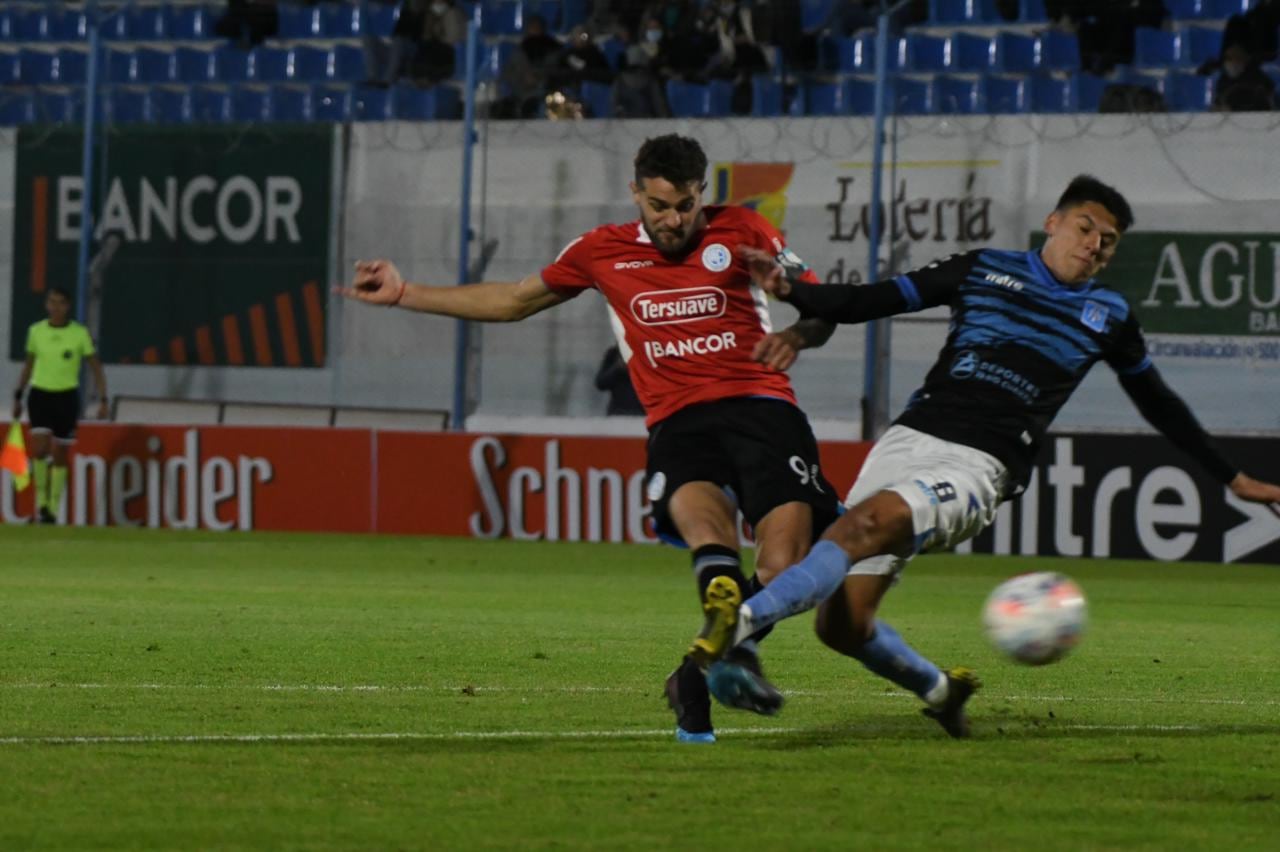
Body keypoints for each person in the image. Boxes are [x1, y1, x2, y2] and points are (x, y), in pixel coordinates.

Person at [689, 175, 1280, 737]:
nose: (1095, 245)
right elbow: (873, 300)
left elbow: (1160, 404)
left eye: (1108, 241)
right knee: (842, 625)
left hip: (979, 466)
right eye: (1085, 227)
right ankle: (943, 692)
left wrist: (1233, 479)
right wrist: (795, 292)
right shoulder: (984, 269)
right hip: (908, 441)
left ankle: (737, 624)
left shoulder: (1110, 316)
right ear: (1052, 222)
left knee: (862, 525)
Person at [339, 134, 846, 743]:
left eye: (685, 204)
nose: (673, 219)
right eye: (659, 205)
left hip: (764, 407)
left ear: (701, 194)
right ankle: (715, 659)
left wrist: (800, 334)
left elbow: (823, 305)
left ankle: (695, 673)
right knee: (708, 536)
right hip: (680, 421)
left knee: (783, 563)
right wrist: (405, 293)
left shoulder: (745, 231)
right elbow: (514, 299)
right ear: (635, 193)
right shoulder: (600, 251)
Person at [11, 287, 108, 525]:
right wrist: (18, 395)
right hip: (40, 394)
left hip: (66, 397)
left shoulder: (79, 334)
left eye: (60, 303)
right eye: (52, 302)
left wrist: (104, 398)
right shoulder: (36, 331)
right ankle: (42, 502)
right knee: (40, 449)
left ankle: (52, 509)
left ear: (68, 306)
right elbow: (29, 364)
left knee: (60, 452)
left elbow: (95, 366)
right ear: (46, 305)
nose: (55, 307)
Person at [1211, 45, 1277, 113]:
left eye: (1238, 58)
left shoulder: (1258, 77)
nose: (1234, 62)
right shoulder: (1222, 80)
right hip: (1229, 118)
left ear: (1245, 59)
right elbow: (1218, 103)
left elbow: (1268, 100)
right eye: (1229, 58)